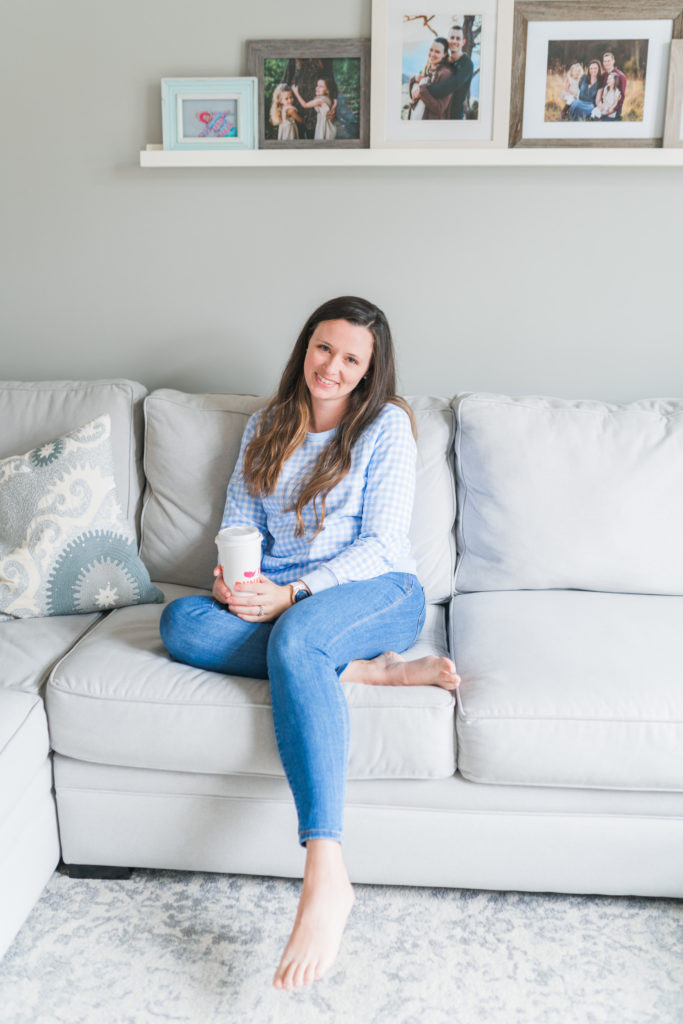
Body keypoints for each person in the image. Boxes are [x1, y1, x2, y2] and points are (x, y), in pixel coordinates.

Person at [159, 296, 460, 991]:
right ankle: (358, 673)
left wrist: (292, 597)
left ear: (369, 372)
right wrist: (242, 584)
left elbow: (383, 544)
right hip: (283, 604)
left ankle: (325, 871)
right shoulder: (267, 423)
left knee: (297, 637)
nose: (332, 367)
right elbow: (240, 517)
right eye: (324, 349)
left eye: (351, 359)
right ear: (305, 347)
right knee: (182, 623)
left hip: (374, 592)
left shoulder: (385, 427)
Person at [416, 24, 474, 120]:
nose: (454, 41)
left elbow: (446, 87)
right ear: (447, 40)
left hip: (454, 117)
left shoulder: (466, 64)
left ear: (463, 42)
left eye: (458, 38)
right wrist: (417, 78)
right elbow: (429, 74)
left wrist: (421, 90)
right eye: (452, 37)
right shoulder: (446, 60)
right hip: (440, 116)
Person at [408, 37, 451, 120]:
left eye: (437, 52)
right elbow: (413, 96)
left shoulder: (445, 74)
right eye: (431, 50)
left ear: (444, 54)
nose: (432, 54)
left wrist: (422, 90)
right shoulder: (428, 68)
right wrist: (414, 79)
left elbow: (439, 108)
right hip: (416, 117)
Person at [602, 51, 627, 120]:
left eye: (609, 61)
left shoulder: (621, 76)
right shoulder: (604, 75)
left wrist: (611, 111)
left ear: (613, 61)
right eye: (605, 61)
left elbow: (621, 97)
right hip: (604, 106)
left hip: (614, 110)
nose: (606, 63)